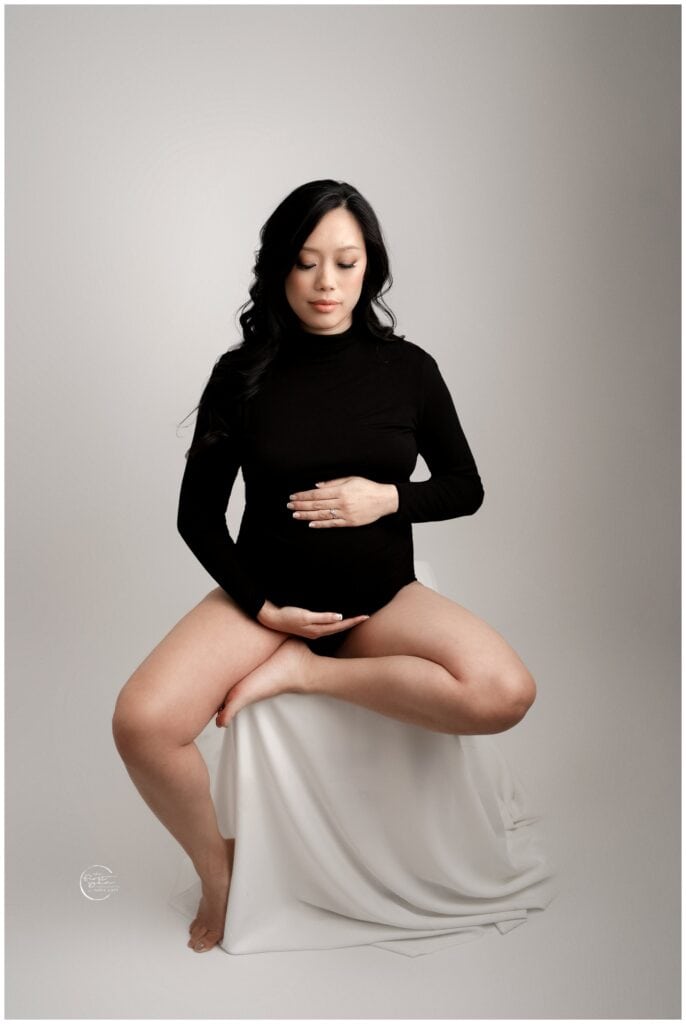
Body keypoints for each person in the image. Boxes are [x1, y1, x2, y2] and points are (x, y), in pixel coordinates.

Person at [111, 179, 538, 955]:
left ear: (369, 267)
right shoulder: (240, 375)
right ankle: (219, 873)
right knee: (141, 723)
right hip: (266, 600)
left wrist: (388, 500)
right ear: (279, 269)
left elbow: (465, 488)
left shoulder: (408, 369)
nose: (326, 282)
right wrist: (263, 609)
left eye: (345, 261)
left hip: (380, 597)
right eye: (306, 262)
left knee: (506, 691)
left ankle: (305, 674)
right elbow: (197, 515)